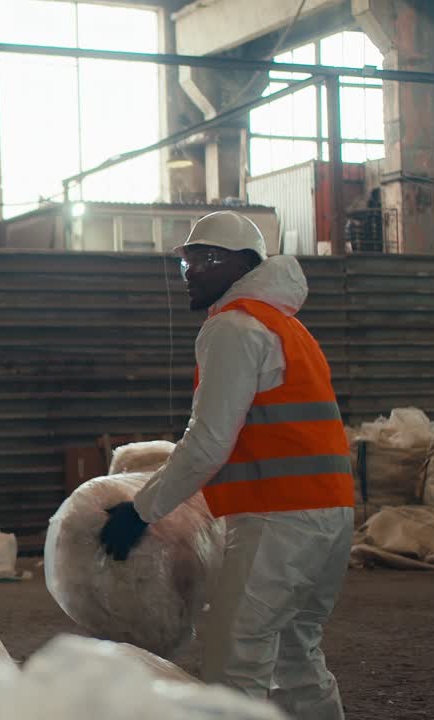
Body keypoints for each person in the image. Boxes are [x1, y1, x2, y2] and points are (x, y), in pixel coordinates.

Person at [98, 211, 355, 720]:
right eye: (185, 263)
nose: (189, 273)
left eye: (202, 260)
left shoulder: (234, 328)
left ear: (239, 263)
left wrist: (141, 511)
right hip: (330, 514)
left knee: (235, 666)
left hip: (278, 519)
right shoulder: (286, 326)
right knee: (296, 657)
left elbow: (210, 441)